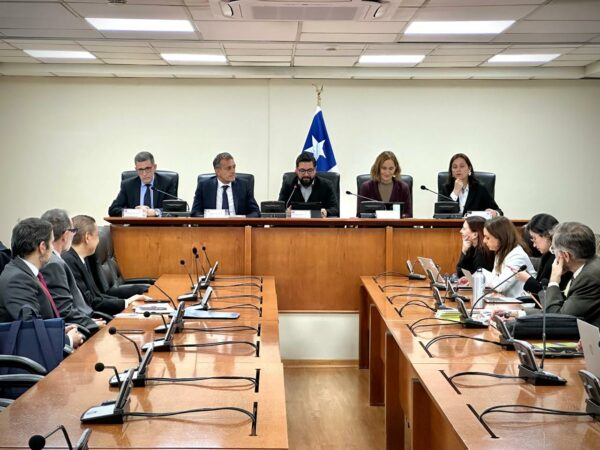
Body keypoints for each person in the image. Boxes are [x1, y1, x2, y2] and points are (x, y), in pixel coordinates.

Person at [0, 218, 83, 348]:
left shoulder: (25, 272)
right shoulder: (17, 280)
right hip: (32, 362)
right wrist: (67, 340)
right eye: (51, 242)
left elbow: (39, 322)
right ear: (43, 247)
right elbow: (31, 331)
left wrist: (59, 332)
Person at [63, 215, 148, 316]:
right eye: (97, 235)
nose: (99, 241)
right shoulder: (69, 262)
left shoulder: (84, 258)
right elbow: (90, 302)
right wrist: (126, 302)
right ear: (87, 237)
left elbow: (97, 295)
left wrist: (127, 300)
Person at [40, 209, 104, 335]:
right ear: (65, 235)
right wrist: (91, 324)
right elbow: (64, 311)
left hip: (86, 320)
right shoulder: (53, 264)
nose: (74, 235)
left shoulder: (57, 260)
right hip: (81, 328)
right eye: (73, 231)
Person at [543, 222, 600, 327]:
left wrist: (554, 281)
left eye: (553, 249)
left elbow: (556, 320)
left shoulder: (589, 277)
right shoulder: (591, 265)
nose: (553, 253)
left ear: (565, 255)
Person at [513, 213, 571, 296]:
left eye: (534, 238)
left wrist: (527, 279)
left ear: (547, 235)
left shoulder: (560, 257)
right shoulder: (547, 255)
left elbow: (549, 293)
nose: (534, 245)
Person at [108, 151, 177, 217]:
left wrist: (156, 212)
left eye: (147, 168)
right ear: (136, 170)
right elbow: (113, 210)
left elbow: (174, 209)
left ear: (154, 167)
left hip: (160, 227)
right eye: (140, 170)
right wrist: (135, 212)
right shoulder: (128, 185)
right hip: (135, 227)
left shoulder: (167, 182)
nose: (144, 174)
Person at [191, 152, 260, 217]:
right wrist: (208, 219)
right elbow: (195, 212)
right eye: (228, 168)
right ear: (217, 171)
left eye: (234, 167)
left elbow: (256, 212)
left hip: (238, 227)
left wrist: (242, 219)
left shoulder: (244, 185)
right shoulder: (204, 186)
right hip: (212, 227)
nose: (233, 171)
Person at [481, 216, 536, 298]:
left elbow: (500, 286)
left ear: (500, 237)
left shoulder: (517, 255)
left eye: (487, 237)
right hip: (508, 301)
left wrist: (480, 273)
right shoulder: (501, 252)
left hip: (523, 304)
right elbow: (494, 279)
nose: (484, 241)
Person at [278, 152, 339, 218]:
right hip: (294, 226)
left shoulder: (326, 185)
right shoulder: (288, 184)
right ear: (296, 170)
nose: (306, 174)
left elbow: (335, 209)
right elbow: (279, 208)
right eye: (302, 171)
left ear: (315, 170)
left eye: (310, 170)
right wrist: (286, 212)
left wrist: (326, 212)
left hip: (319, 226)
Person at [358, 151, 412, 218]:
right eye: (384, 168)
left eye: (391, 168)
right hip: (373, 228)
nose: (387, 172)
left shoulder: (403, 188)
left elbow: (408, 215)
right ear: (378, 168)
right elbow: (361, 216)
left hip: (396, 227)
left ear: (396, 168)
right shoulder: (366, 187)